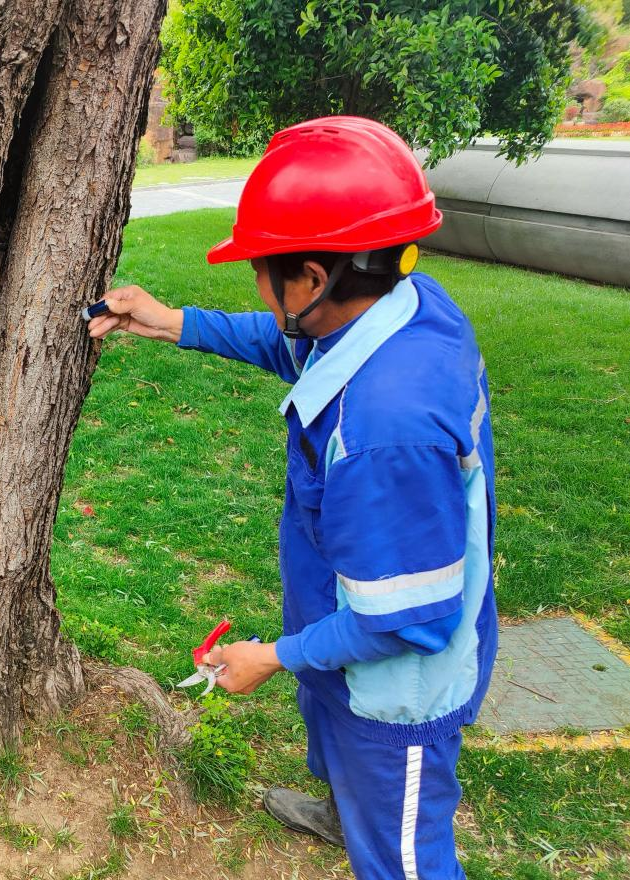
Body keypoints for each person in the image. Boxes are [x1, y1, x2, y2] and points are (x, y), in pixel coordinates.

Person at [89, 116, 497, 880]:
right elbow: (292, 342)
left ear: (312, 279)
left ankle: (376, 831)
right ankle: (348, 815)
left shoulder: (386, 431)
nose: (254, 282)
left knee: (407, 860)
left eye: (260, 268)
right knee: (341, 752)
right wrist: (171, 322)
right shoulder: (403, 308)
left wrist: (272, 657)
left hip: (394, 694)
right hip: (345, 631)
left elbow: (410, 622)